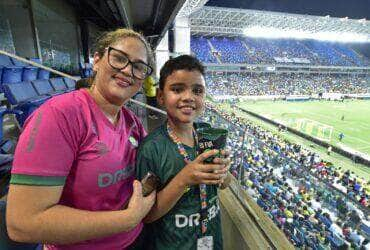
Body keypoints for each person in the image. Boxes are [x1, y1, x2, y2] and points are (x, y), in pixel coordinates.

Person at [6, 28, 156, 250]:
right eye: (119, 58)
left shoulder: (131, 121)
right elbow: (23, 223)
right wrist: (127, 220)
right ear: (96, 60)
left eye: (138, 67)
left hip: (134, 242)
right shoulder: (59, 116)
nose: (127, 70)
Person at [136, 55, 231, 249]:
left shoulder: (208, 134)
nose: (188, 97)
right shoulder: (151, 149)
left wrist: (223, 172)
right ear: (161, 96)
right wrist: (184, 179)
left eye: (197, 90)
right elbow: (146, 216)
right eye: (177, 89)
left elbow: (223, 184)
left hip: (212, 242)